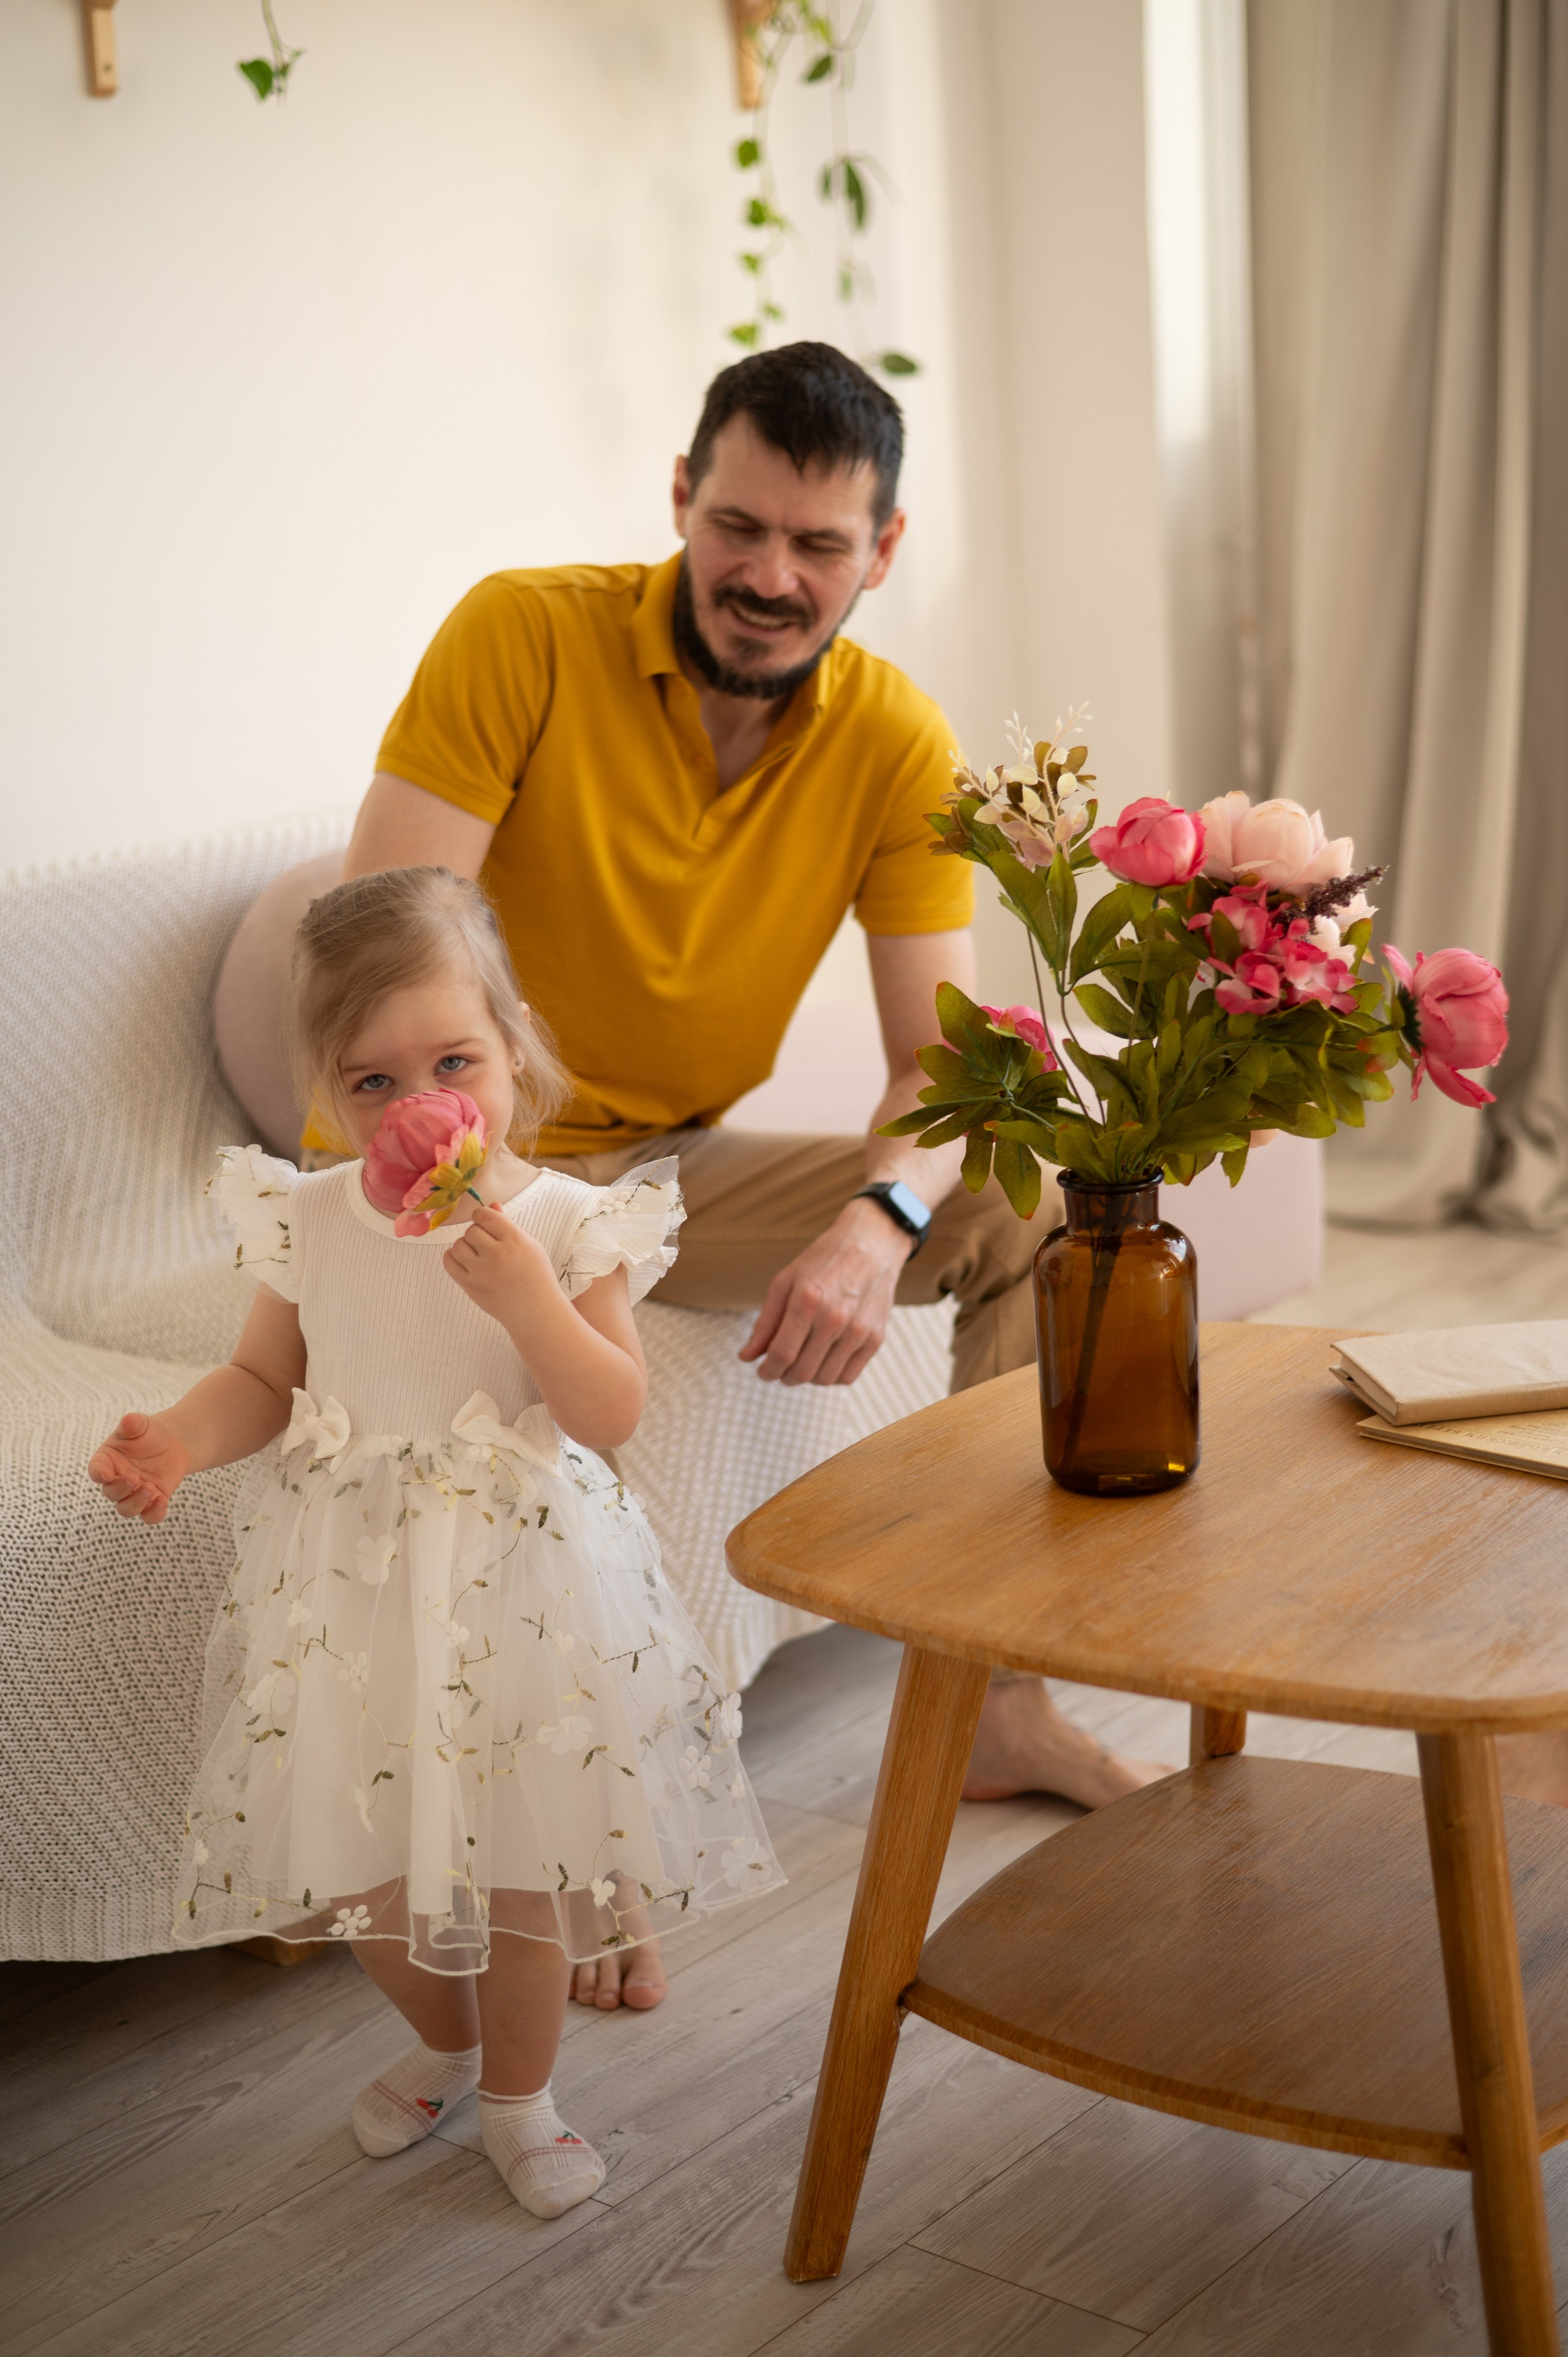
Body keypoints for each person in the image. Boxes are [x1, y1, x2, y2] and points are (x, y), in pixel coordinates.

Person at [277, 341, 1165, 2003]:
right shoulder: (519, 633)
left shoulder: (898, 740)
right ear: (681, 500)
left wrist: (871, 1219)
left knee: (1012, 1202)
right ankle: (561, 1837)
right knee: (526, 1401)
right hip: (457, 1152)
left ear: (881, 554)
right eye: (739, 527)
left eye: (819, 546)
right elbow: (381, 971)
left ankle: (996, 1704)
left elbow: (942, 1066)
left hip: (665, 1162)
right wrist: (491, 1215)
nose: (769, 577)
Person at [88, 867, 783, 2218]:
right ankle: (447, 2043)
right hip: (350, 1586)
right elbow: (260, 1381)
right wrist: (178, 1436)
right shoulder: (306, 1219)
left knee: (515, 1870)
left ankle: (521, 2096)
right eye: (368, 1082)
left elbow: (610, 1409)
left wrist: (530, 1299)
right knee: (361, 1869)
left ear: (514, 1047)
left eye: (452, 1060)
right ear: (322, 1094)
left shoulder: (570, 1223)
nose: (416, 1109)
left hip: (519, 1584)